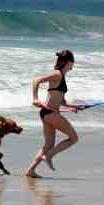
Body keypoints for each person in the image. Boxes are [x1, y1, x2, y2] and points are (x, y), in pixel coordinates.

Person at [25, 50, 79, 178]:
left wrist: (74, 107)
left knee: (49, 144)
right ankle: (49, 156)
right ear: (69, 62)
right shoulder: (57, 74)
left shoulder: (62, 77)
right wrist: (35, 98)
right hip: (50, 113)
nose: (73, 64)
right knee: (73, 138)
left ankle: (30, 171)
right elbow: (36, 80)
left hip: (47, 113)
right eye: (73, 61)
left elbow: (62, 101)